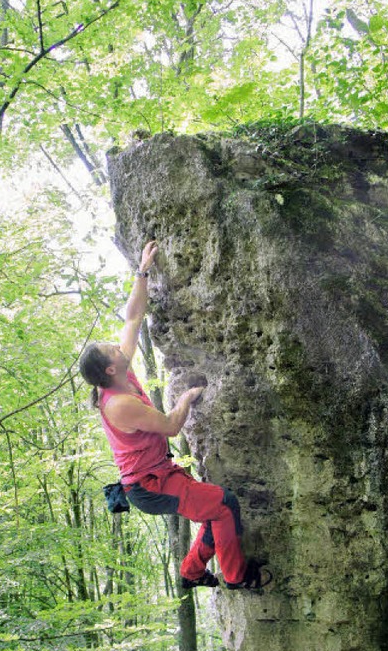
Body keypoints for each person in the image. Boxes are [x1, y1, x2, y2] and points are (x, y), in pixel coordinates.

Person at [79, 239, 271, 591]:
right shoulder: (118, 403)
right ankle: (236, 576)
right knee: (223, 505)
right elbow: (169, 426)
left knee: (214, 510)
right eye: (111, 350)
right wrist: (186, 397)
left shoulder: (123, 374)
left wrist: (142, 271)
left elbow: (133, 317)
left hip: (159, 476)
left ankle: (192, 572)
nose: (117, 346)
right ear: (109, 369)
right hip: (148, 487)